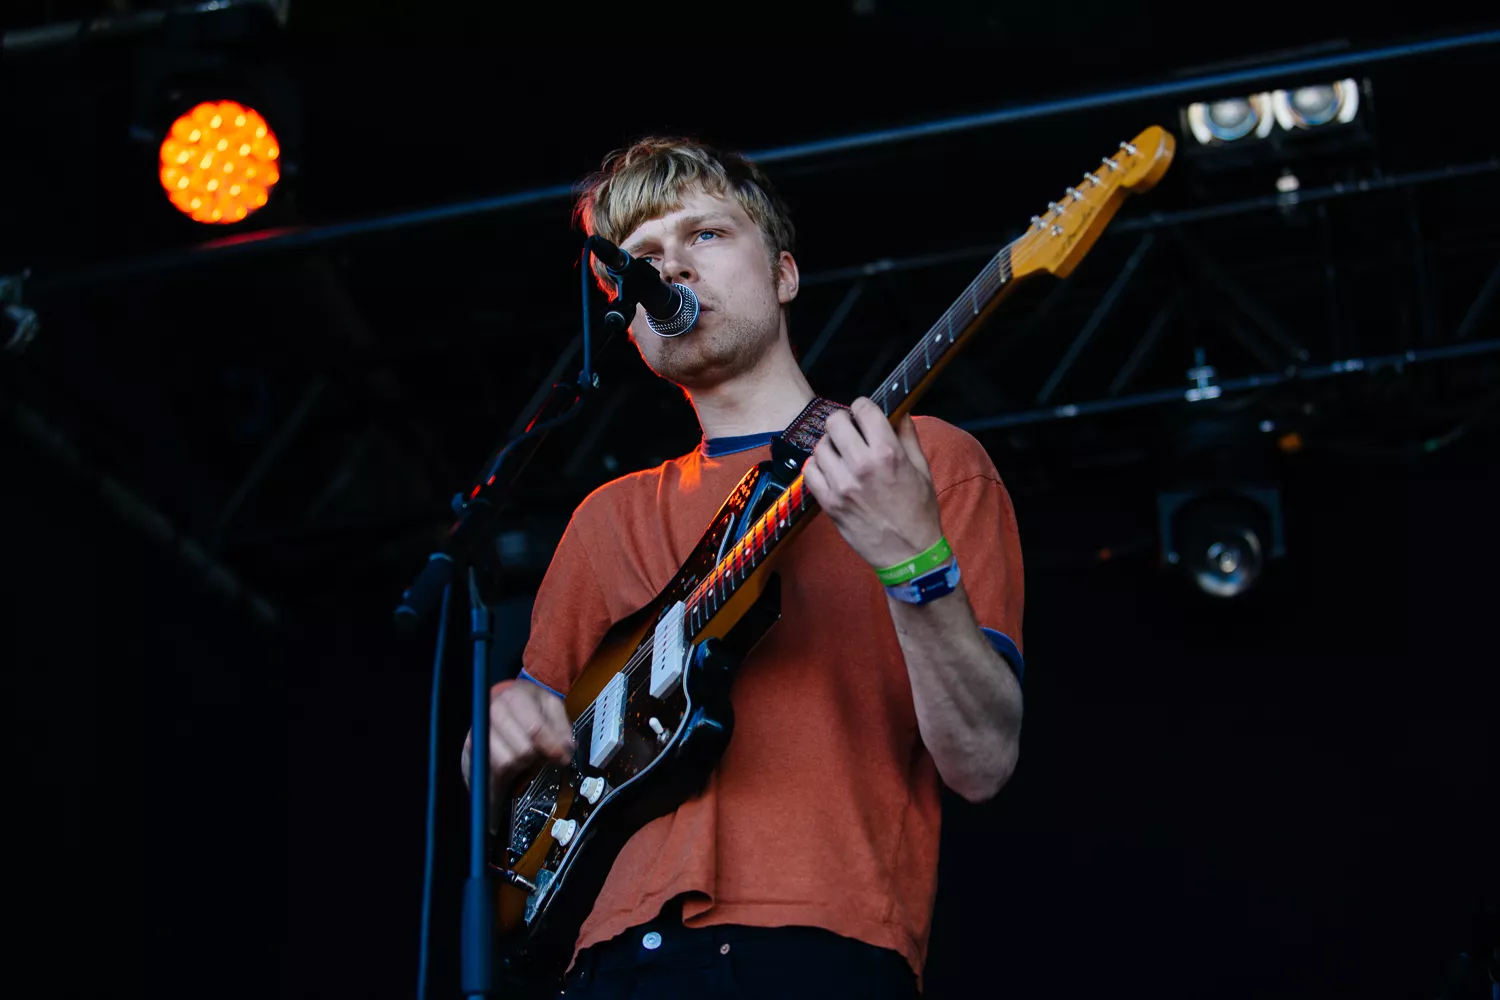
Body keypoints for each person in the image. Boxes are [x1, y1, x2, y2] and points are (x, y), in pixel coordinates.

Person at [461, 137, 1025, 998]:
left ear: (785, 276)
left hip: (816, 942)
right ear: (628, 316)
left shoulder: (922, 460)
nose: (671, 268)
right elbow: (523, 778)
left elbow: (982, 759)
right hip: (604, 962)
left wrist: (912, 557)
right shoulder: (604, 520)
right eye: (642, 259)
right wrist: (489, 741)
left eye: (707, 236)